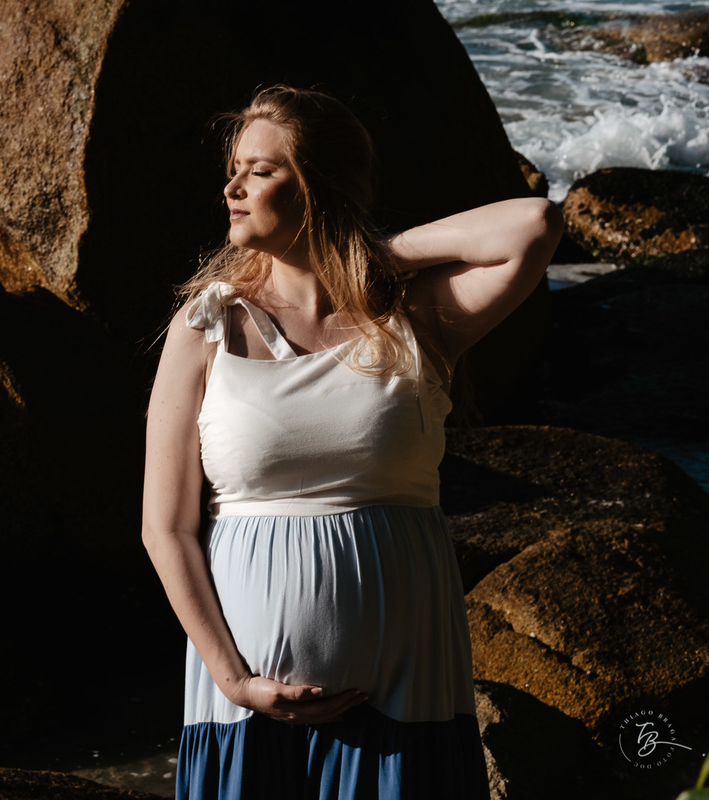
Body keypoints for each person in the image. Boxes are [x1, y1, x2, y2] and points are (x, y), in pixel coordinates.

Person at [141, 85, 563, 799]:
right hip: (246, 703)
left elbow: (534, 223)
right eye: (235, 167)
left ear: (320, 187)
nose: (232, 186)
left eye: (262, 170)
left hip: (409, 696)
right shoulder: (206, 327)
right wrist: (234, 679)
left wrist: (373, 256)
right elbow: (166, 527)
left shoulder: (416, 320)